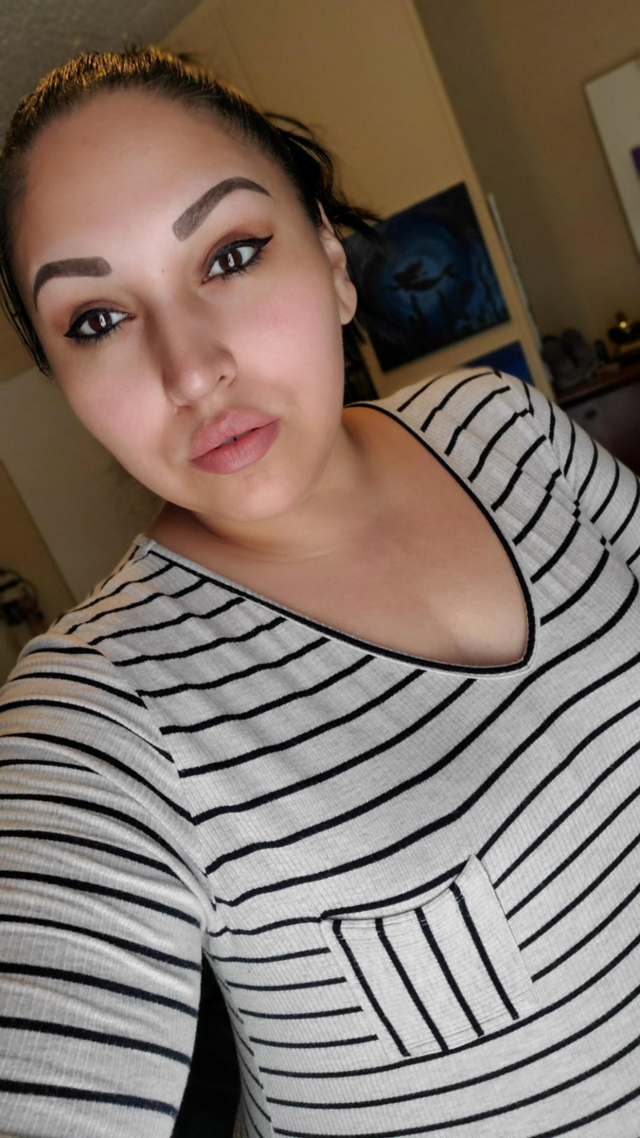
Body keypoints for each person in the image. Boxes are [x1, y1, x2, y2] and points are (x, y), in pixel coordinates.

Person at [0, 45, 639, 1138]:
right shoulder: (94, 713)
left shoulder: (500, 425)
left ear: (335, 265)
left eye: (230, 254)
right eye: (96, 320)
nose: (191, 370)